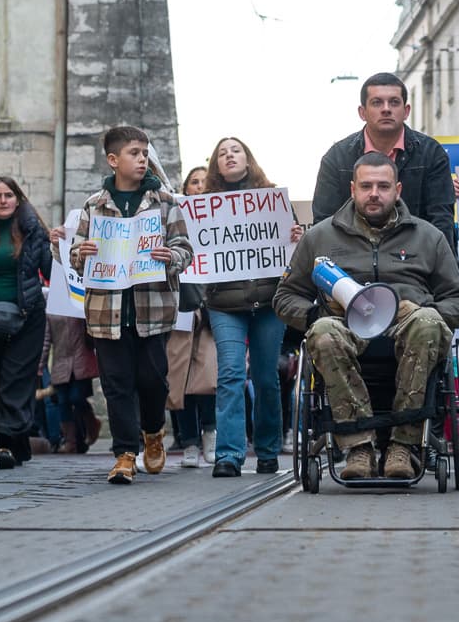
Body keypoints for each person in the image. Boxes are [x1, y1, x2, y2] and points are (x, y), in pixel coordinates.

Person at [274, 152, 459, 478]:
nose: (374, 193)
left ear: (398, 189)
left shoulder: (428, 237)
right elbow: (285, 297)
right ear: (352, 189)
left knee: (428, 324)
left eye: (383, 186)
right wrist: (313, 316)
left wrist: (429, 311)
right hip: (344, 324)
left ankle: (403, 447)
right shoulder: (320, 237)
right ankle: (358, 448)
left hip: (408, 322)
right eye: (366, 186)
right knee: (322, 331)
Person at [69, 125, 194, 484]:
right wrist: (82, 252)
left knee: (152, 380)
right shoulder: (94, 206)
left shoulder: (165, 203)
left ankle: (153, 431)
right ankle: (125, 453)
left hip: (152, 310)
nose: (142, 159)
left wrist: (170, 255)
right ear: (113, 160)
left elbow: (186, 250)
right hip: (107, 312)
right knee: (116, 383)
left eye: (144, 153)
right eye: (134, 153)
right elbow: (76, 253)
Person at [203, 137, 303, 478]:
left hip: (268, 303)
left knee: (266, 377)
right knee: (230, 373)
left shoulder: (272, 199)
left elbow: (291, 249)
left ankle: (266, 450)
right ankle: (228, 455)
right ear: (216, 164)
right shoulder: (203, 205)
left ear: (249, 159)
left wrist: (295, 237)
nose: (229, 156)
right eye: (222, 153)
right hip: (224, 303)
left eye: (236, 151)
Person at [312, 72, 456, 251]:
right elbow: (324, 223)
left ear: (406, 111)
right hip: (353, 265)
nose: (386, 109)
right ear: (362, 112)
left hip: (416, 264)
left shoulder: (431, 153)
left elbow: (442, 219)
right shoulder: (336, 158)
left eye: (394, 102)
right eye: (377, 102)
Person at [0, 177, 51, 469]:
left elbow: (50, 270)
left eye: (8, 195)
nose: (3, 200)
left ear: (18, 199)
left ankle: (4, 443)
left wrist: (62, 245)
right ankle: (19, 444)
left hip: (28, 316)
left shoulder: (32, 231)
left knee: (16, 378)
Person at [164, 165, 218, 467]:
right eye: (193, 182)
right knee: (179, 379)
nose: (199, 186)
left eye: (204, 181)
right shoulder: (174, 221)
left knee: (206, 378)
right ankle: (188, 443)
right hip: (181, 311)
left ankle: (210, 435)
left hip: (211, 313)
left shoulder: (222, 221)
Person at [43, 313, 100, 453]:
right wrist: (40, 366)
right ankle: (70, 442)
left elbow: (92, 335)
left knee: (77, 397)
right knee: (63, 402)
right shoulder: (52, 311)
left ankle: (92, 423)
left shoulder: (79, 308)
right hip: (61, 364)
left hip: (82, 362)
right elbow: (46, 340)